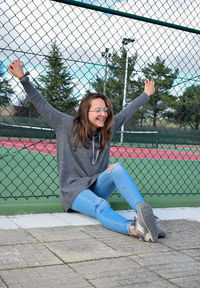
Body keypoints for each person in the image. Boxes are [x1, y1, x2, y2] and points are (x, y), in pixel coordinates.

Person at [8, 59, 166, 242]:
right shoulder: (65, 124)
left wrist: (146, 94)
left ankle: (147, 219)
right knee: (101, 205)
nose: (103, 114)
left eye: (105, 110)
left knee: (117, 168)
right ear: (85, 112)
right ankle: (135, 229)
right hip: (74, 191)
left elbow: (127, 111)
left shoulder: (107, 128)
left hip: (96, 185)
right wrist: (23, 79)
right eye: (97, 110)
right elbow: (41, 104)